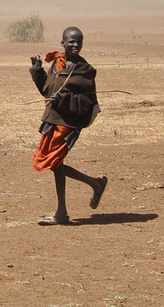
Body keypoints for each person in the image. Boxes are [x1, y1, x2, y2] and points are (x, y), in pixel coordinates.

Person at [29, 26, 107, 225]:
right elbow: (47, 91)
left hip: (68, 123)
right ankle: (95, 183)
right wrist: (37, 70)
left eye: (78, 42)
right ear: (62, 43)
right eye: (71, 41)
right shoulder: (57, 64)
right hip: (52, 119)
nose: (75, 45)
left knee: (55, 163)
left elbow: (87, 103)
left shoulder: (84, 70)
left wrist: (63, 100)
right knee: (55, 164)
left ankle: (62, 213)